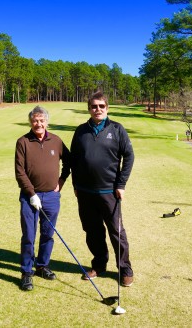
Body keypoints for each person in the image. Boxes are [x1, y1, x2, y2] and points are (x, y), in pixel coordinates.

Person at [70, 91, 135, 287]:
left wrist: (121, 184)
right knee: (92, 231)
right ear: (89, 108)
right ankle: (99, 265)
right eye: (93, 106)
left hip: (109, 192)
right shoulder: (81, 130)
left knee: (116, 231)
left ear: (107, 108)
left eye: (101, 106)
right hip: (85, 192)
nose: (97, 109)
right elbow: (74, 160)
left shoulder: (116, 129)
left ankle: (125, 269)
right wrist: (75, 185)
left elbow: (129, 157)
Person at [15, 105, 71, 291]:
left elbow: (69, 162)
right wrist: (31, 194)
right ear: (30, 121)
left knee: (48, 234)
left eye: (41, 120)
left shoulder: (56, 140)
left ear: (47, 122)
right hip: (29, 197)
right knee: (29, 236)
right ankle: (26, 272)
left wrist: (61, 181)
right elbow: (20, 172)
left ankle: (42, 266)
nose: (38, 123)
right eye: (35, 120)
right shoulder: (23, 142)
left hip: (51, 197)